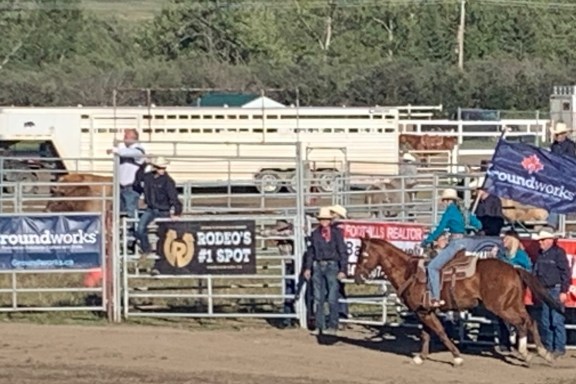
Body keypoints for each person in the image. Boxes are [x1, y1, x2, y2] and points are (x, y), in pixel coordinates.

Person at [421, 188, 482, 307]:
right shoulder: (464, 211)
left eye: (444, 201)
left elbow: (440, 229)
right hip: (468, 242)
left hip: (456, 243)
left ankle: (435, 298)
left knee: (433, 267)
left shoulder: (450, 211)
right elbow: (478, 224)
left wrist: (428, 240)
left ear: (447, 200)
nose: (443, 203)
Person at [303, 207, 348, 335]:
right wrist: (308, 267)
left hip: (332, 265)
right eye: (322, 219)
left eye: (326, 219)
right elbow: (311, 252)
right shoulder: (315, 233)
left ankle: (333, 326)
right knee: (319, 298)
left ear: (330, 220)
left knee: (332, 297)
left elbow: (343, 251)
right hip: (318, 265)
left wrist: (342, 269)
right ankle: (320, 326)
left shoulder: (337, 233)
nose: (324, 221)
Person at [491, 230, 532, 353]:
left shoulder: (521, 255)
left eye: (506, 239)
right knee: (501, 315)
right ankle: (505, 342)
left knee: (515, 314)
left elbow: (529, 269)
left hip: (515, 290)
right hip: (501, 290)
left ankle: (518, 341)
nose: (504, 241)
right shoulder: (502, 254)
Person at [135, 156, 182, 262]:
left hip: (163, 210)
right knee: (140, 229)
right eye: (160, 168)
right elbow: (137, 180)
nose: (162, 170)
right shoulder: (148, 178)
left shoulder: (168, 181)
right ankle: (147, 249)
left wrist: (177, 212)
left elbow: (173, 197)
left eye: (163, 168)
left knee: (164, 235)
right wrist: (143, 165)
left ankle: (162, 258)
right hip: (151, 209)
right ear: (155, 167)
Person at [532, 229, 571, 358]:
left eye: (542, 240)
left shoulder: (558, 253)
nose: (540, 243)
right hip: (544, 290)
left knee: (556, 320)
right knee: (545, 320)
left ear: (550, 240)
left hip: (555, 289)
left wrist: (564, 291)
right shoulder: (541, 254)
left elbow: (566, 273)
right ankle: (549, 347)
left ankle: (559, 348)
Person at [107, 129, 146, 218]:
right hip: (121, 187)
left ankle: (132, 231)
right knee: (120, 212)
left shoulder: (138, 151)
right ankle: (123, 230)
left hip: (131, 187)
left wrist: (115, 150)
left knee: (131, 212)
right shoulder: (124, 151)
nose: (124, 139)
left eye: (126, 137)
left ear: (133, 138)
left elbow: (130, 153)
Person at [329, 204, 350, 320]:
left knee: (336, 287)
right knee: (336, 287)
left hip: (337, 259)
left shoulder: (337, 229)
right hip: (337, 259)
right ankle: (340, 312)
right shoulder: (336, 229)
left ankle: (340, 312)